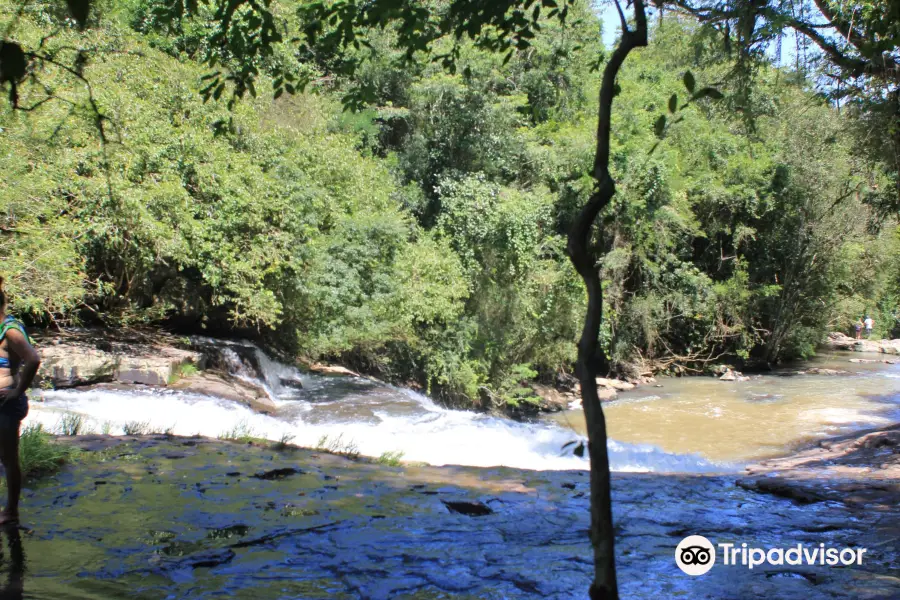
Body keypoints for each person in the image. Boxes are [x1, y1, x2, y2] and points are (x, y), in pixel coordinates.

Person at [0, 278, 40, 525]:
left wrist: (17, 391)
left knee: (8, 457)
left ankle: (11, 512)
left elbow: (33, 359)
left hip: (5, 405)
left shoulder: (11, 331)